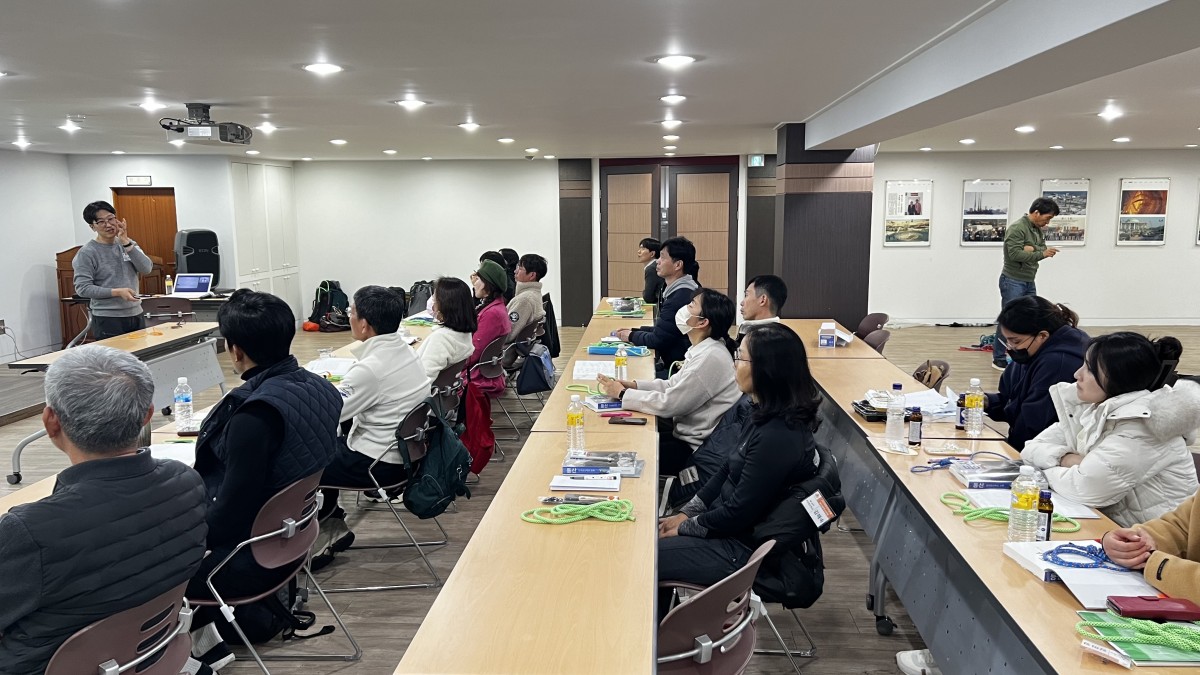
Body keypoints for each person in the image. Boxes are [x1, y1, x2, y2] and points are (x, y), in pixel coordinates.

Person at [0, 346, 207, 675]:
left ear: (50, 421)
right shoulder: (187, 483)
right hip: (152, 654)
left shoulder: (29, 530)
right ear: (147, 415)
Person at [187, 289, 341, 669]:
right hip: (294, 539)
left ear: (235, 350)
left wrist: (181, 540)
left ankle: (194, 649)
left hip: (253, 556)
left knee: (143, 565)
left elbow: (229, 519)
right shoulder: (323, 389)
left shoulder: (253, 416)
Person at [655, 322, 822, 616]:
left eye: (741, 357)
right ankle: (661, 630)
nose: (735, 364)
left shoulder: (779, 436)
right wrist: (686, 513)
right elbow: (725, 470)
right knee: (650, 540)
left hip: (740, 549)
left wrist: (684, 527)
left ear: (767, 369)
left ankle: (664, 637)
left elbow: (737, 513)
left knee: (646, 558)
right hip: (727, 530)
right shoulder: (761, 412)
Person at [1021, 333, 1199, 527]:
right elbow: (1031, 448)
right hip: (1121, 529)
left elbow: (1085, 489)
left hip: (1161, 538)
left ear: (1120, 377)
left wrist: (1038, 473)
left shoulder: (1143, 426)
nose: (1077, 374)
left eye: (1089, 369)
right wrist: (1065, 458)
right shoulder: (1092, 409)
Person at [315, 285, 432, 565]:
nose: (349, 316)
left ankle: (321, 532)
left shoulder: (370, 369)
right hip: (405, 455)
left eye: (351, 311)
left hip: (378, 464)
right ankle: (331, 523)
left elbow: (328, 414)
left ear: (364, 325)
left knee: (303, 461)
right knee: (326, 448)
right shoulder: (405, 350)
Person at [598, 289, 741, 475]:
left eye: (691, 305)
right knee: (629, 439)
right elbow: (671, 385)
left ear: (703, 322)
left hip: (695, 448)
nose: (685, 308)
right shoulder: (704, 349)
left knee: (630, 453)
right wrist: (634, 385)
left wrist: (623, 394)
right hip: (684, 432)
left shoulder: (710, 357)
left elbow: (670, 404)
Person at [985, 295, 1088, 450]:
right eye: (1007, 340)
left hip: (1043, 450)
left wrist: (1010, 455)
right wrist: (986, 401)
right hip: (1030, 446)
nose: (1009, 347)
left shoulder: (1058, 363)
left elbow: (1034, 423)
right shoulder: (1031, 352)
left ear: (1042, 336)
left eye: (1015, 341)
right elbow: (1013, 401)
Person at [616, 236, 699, 378]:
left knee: (631, 375)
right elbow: (665, 330)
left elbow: (658, 340)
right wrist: (635, 331)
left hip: (679, 369)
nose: (658, 262)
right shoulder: (679, 289)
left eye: (662, 257)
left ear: (678, 265)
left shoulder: (680, 296)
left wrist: (630, 335)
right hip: (676, 362)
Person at [994, 197, 1061, 370]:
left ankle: (1026, 352)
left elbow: (1041, 247)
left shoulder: (1036, 230)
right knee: (1008, 319)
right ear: (1036, 212)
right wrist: (1040, 253)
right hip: (1012, 280)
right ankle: (999, 358)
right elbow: (1016, 254)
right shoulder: (1017, 228)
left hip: (1029, 280)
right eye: (1047, 217)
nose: (1047, 222)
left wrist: (1032, 249)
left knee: (1032, 317)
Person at [72, 200, 154, 339]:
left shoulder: (128, 243)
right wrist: (117, 292)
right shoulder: (87, 253)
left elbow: (147, 269)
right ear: (92, 227)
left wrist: (126, 243)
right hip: (108, 318)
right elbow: (83, 288)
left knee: (140, 353)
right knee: (114, 354)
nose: (109, 225)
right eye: (101, 222)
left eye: (111, 219)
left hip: (136, 313)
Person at [461, 259, 512, 475]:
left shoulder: (492, 314)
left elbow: (471, 354)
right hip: (482, 374)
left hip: (475, 378)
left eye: (478, 279)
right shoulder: (494, 308)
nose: (474, 282)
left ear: (488, 285)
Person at [415, 276, 477, 380]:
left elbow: (423, 379)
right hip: (445, 388)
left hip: (423, 387)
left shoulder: (441, 339)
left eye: (434, 300)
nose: (432, 305)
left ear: (446, 306)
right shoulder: (464, 333)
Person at [507, 253, 548, 343]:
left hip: (506, 348)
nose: (515, 271)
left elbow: (508, 335)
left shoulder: (524, 300)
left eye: (520, 268)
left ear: (532, 275)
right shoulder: (533, 294)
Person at [737, 274, 787, 346]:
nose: (742, 303)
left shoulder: (767, 341)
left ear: (762, 300)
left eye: (746, 295)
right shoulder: (782, 335)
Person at [638, 237, 664, 304]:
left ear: (652, 254)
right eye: (639, 248)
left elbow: (648, 297)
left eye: (643, 249)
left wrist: (644, 293)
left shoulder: (652, 268)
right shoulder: (656, 265)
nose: (639, 252)